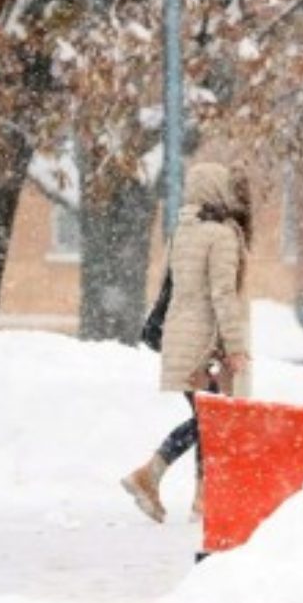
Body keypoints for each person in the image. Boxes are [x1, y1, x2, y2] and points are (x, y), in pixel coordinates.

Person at [121, 161, 253, 523]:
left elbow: (172, 285)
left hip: (178, 336)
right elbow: (223, 294)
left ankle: (200, 498)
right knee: (212, 420)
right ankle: (151, 474)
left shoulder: (183, 231)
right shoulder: (221, 234)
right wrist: (237, 347)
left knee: (207, 419)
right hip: (203, 343)